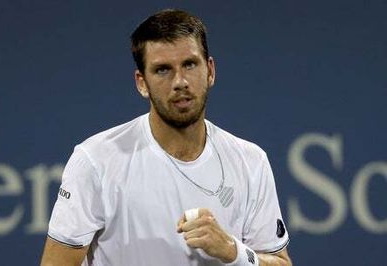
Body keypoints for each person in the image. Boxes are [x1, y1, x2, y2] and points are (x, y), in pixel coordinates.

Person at [41, 9, 292, 266]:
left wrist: (233, 252)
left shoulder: (251, 161)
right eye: (163, 70)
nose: (180, 81)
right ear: (142, 83)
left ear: (210, 71)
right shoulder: (96, 161)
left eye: (190, 64)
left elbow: (280, 262)